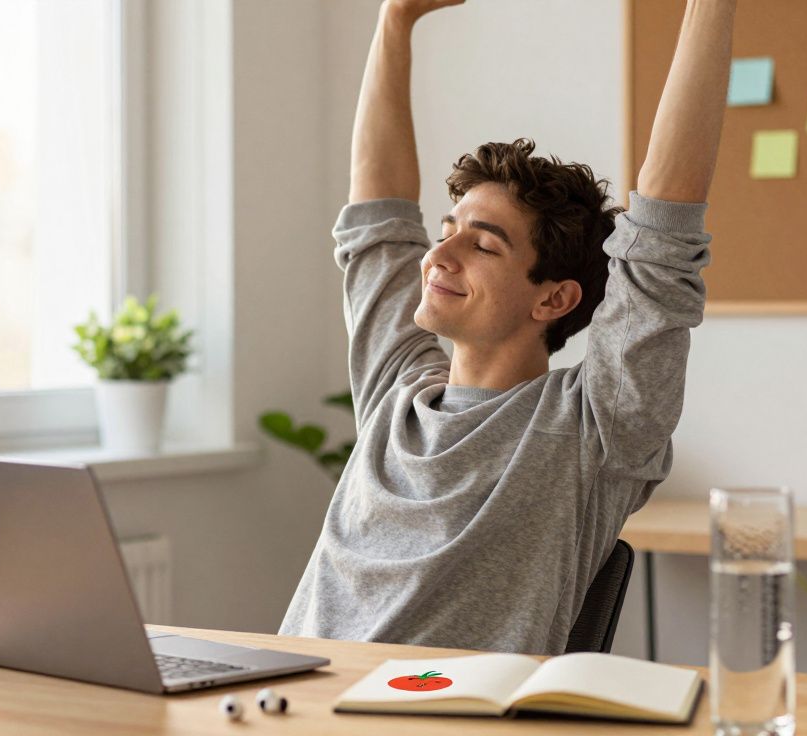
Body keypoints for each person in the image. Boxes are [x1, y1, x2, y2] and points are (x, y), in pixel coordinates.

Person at [279, 0, 736, 655]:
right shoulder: (395, 392)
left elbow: (665, 232)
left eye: (483, 246)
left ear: (553, 299)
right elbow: (376, 221)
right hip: (288, 706)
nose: (438, 257)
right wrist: (395, 20)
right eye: (446, 232)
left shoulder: (593, 428)